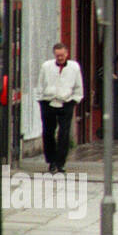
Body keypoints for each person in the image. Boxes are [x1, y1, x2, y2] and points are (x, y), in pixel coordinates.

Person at [36, 42, 83, 174]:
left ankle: (61, 162)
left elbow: (78, 86)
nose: (60, 58)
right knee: (48, 132)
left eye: (62, 55)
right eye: (57, 56)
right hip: (48, 101)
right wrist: (41, 99)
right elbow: (40, 83)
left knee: (64, 133)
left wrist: (75, 99)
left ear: (67, 54)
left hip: (66, 102)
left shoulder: (74, 67)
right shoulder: (46, 66)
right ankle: (51, 161)